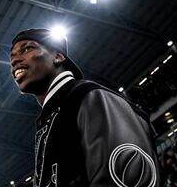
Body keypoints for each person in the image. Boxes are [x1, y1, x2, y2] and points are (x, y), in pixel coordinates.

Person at [9, 28, 160, 187]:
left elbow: (124, 176)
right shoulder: (52, 116)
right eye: (11, 57)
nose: (14, 61)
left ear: (58, 56)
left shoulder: (87, 96)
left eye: (27, 48)